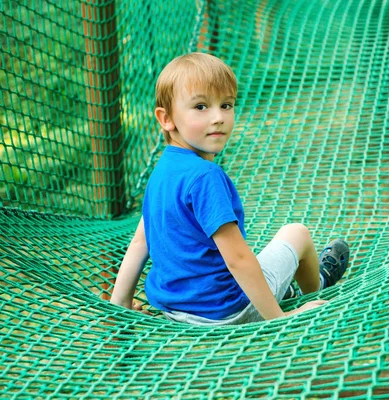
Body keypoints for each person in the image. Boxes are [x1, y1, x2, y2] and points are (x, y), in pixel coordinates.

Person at [110, 52, 350, 325]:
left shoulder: (161, 172)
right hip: (227, 311)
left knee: (259, 262)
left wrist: (120, 307)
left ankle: (285, 290)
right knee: (297, 233)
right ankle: (315, 286)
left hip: (176, 311)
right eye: (201, 107)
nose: (218, 118)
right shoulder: (204, 176)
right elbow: (237, 259)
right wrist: (280, 319)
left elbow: (141, 242)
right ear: (166, 118)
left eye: (226, 105)